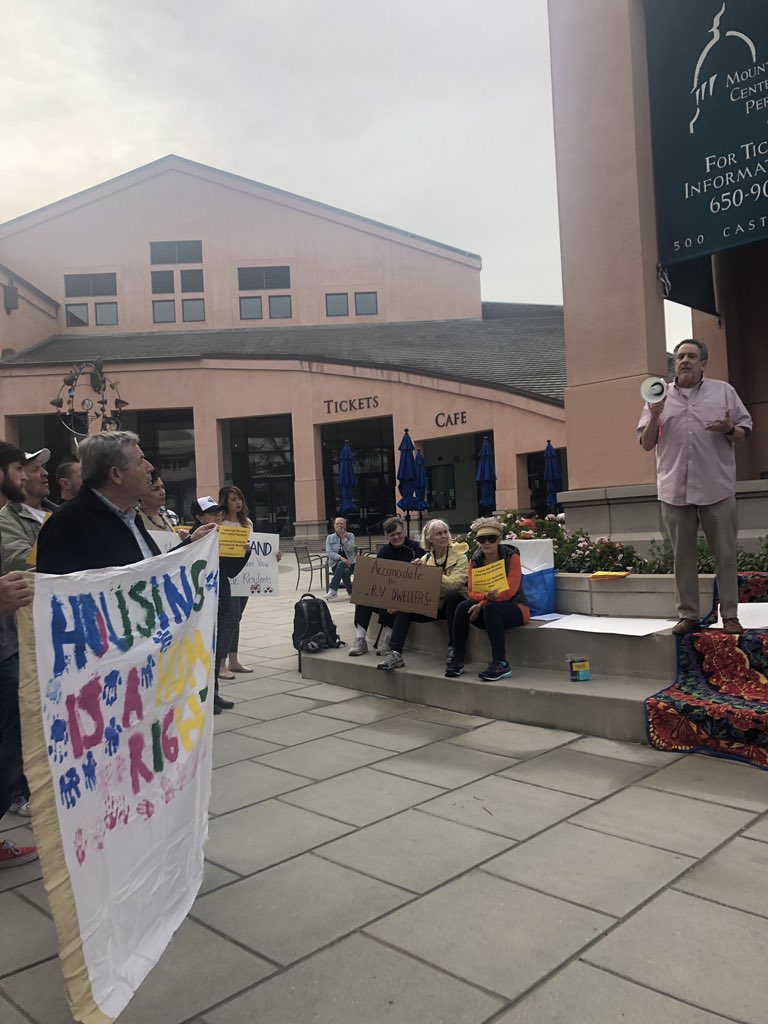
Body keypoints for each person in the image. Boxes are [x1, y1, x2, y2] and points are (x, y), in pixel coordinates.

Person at [637, 339, 752, 635]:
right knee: (682, 555)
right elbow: (646, 444)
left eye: (690, 356)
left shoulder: (724, 391)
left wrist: (728, 428)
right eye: (679, 357)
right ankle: (688, 615)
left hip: (717, 487)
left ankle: (729, 616)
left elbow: (743, 432)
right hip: (675, 489)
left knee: (725, 553)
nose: (684, 361)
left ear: (703, 362)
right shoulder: (657, 395)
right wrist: (656, 414)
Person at [0, 441, 37, 867]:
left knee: (16, 749)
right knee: (13, 752)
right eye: (17, 468)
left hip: (8, 650)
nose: (25, 476)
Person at [377, 519, 468, 671]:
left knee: (453, 596)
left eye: (445, 532)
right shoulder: (425, 559)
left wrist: (430, 574)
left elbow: (455, 584)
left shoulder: (460, 557)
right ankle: (395, 653)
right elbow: (415, 587)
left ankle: (454, 649)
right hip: (432, 605)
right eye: (439, 533)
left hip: (454, 607)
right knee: (405, 605)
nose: (444, 536)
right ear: (430, 539)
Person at [446, 516, 530, 681]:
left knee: (490, 608)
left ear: (499, 539)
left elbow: (509, 591)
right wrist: (484, 598)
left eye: (491, 538)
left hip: (516, 608)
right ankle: (458, 659)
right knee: (462, 607)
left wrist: (482, 603)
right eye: (481, 539)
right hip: (487, 610)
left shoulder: (511, 557)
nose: (486, 542)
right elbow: (471, 591)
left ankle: (501, 663)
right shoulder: (475, 560)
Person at [191, 496, 249, 713]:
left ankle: (214, 693)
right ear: (198, 517)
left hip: (221, 595)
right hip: (202, 602)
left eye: (218, 511)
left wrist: (244, 553)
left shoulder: (219, 535)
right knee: (203, 649)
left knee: (216, 647)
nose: (217, 515)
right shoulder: (193, 537)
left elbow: (230, 571)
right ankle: (202, 697)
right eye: (211, 512)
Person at [348, 515, 426, 657]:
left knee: (391, 596)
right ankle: (360, 638)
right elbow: (379, 579)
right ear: (386, 536)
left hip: (408, 596)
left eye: (398, 533)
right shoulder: (384, 551)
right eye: (392, 535)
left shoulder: (416, 549)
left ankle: (389, 637)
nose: (396, 537)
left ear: (404, 532)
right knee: (364, 592)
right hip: (388, 594)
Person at [0, 448, 59, 571]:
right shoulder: (6, 519)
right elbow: (20, 561)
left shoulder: (60, 513)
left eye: (42, 467)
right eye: (35, 469)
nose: (45, 473)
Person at [217, 485, 254, 678]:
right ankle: (221, 663)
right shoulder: (219, 521)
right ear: (225, 501)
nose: (238, 502)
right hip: (225, 574)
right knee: (229, 617)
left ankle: (234, 659)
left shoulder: (246, 522)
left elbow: (254, 547)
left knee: (237, 617)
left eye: (239, 498)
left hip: (243, 575)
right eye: (233, 499)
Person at [138, 470, 179, 535]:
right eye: (155, 489)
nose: (162, 492)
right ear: (141, 494)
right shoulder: (135, 519)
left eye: (162, 487)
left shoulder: (166, 517)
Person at [325, 516, 356, 600]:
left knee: (345, 569)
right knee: (344, 570)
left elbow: (350, 549)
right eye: (337, 523)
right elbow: (329, 552)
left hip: (350, 564)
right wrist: (341, 558)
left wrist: (343, 538)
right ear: (334, 525)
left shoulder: (350, 536)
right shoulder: (329, 538)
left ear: (345, 525)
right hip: (336, 565)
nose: (339, 525)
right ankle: (351, 592)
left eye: (341, 523)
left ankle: (333, 589)